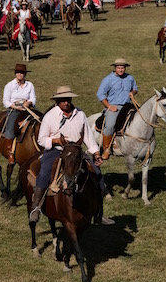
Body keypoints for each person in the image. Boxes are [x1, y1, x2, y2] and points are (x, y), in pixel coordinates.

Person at [30, 86, 109, 224]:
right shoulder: (50, 116)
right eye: (63, 100)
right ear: (57, 102)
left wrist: (96, 153)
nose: (66, 102)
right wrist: (55, 140)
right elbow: (41, 140)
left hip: (76, 150)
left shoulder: (80, 114)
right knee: (44, 172)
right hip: (56, 150)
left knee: (97, 174)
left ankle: (98, 212)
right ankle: (35, 207)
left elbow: (88, 136)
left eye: (68, 100)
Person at [96, 59, 138, 160]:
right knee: (110, 125)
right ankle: (107, 149)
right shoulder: (108, 79)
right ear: (115, 68)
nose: (121, 70)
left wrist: (132, 92)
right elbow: (100, 94)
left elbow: (135, 88)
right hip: (115, 106)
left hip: (128, 105)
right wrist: (109, 106)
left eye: (122, 68)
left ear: (125, 68)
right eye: (118, 68)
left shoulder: (130, 78)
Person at [1, 64, 36, 164]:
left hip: (27, 108)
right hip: (14, 109)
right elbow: (6, 101)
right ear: (15, 74)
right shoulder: (9, 85)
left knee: (40, 120)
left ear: (25, 74)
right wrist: (15, 106)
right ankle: (10, 153)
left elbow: (33, 98)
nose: (19, 74)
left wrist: (28, 103)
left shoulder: (30, 85)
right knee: (10, 127)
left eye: (22, 73)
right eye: (18, 73)